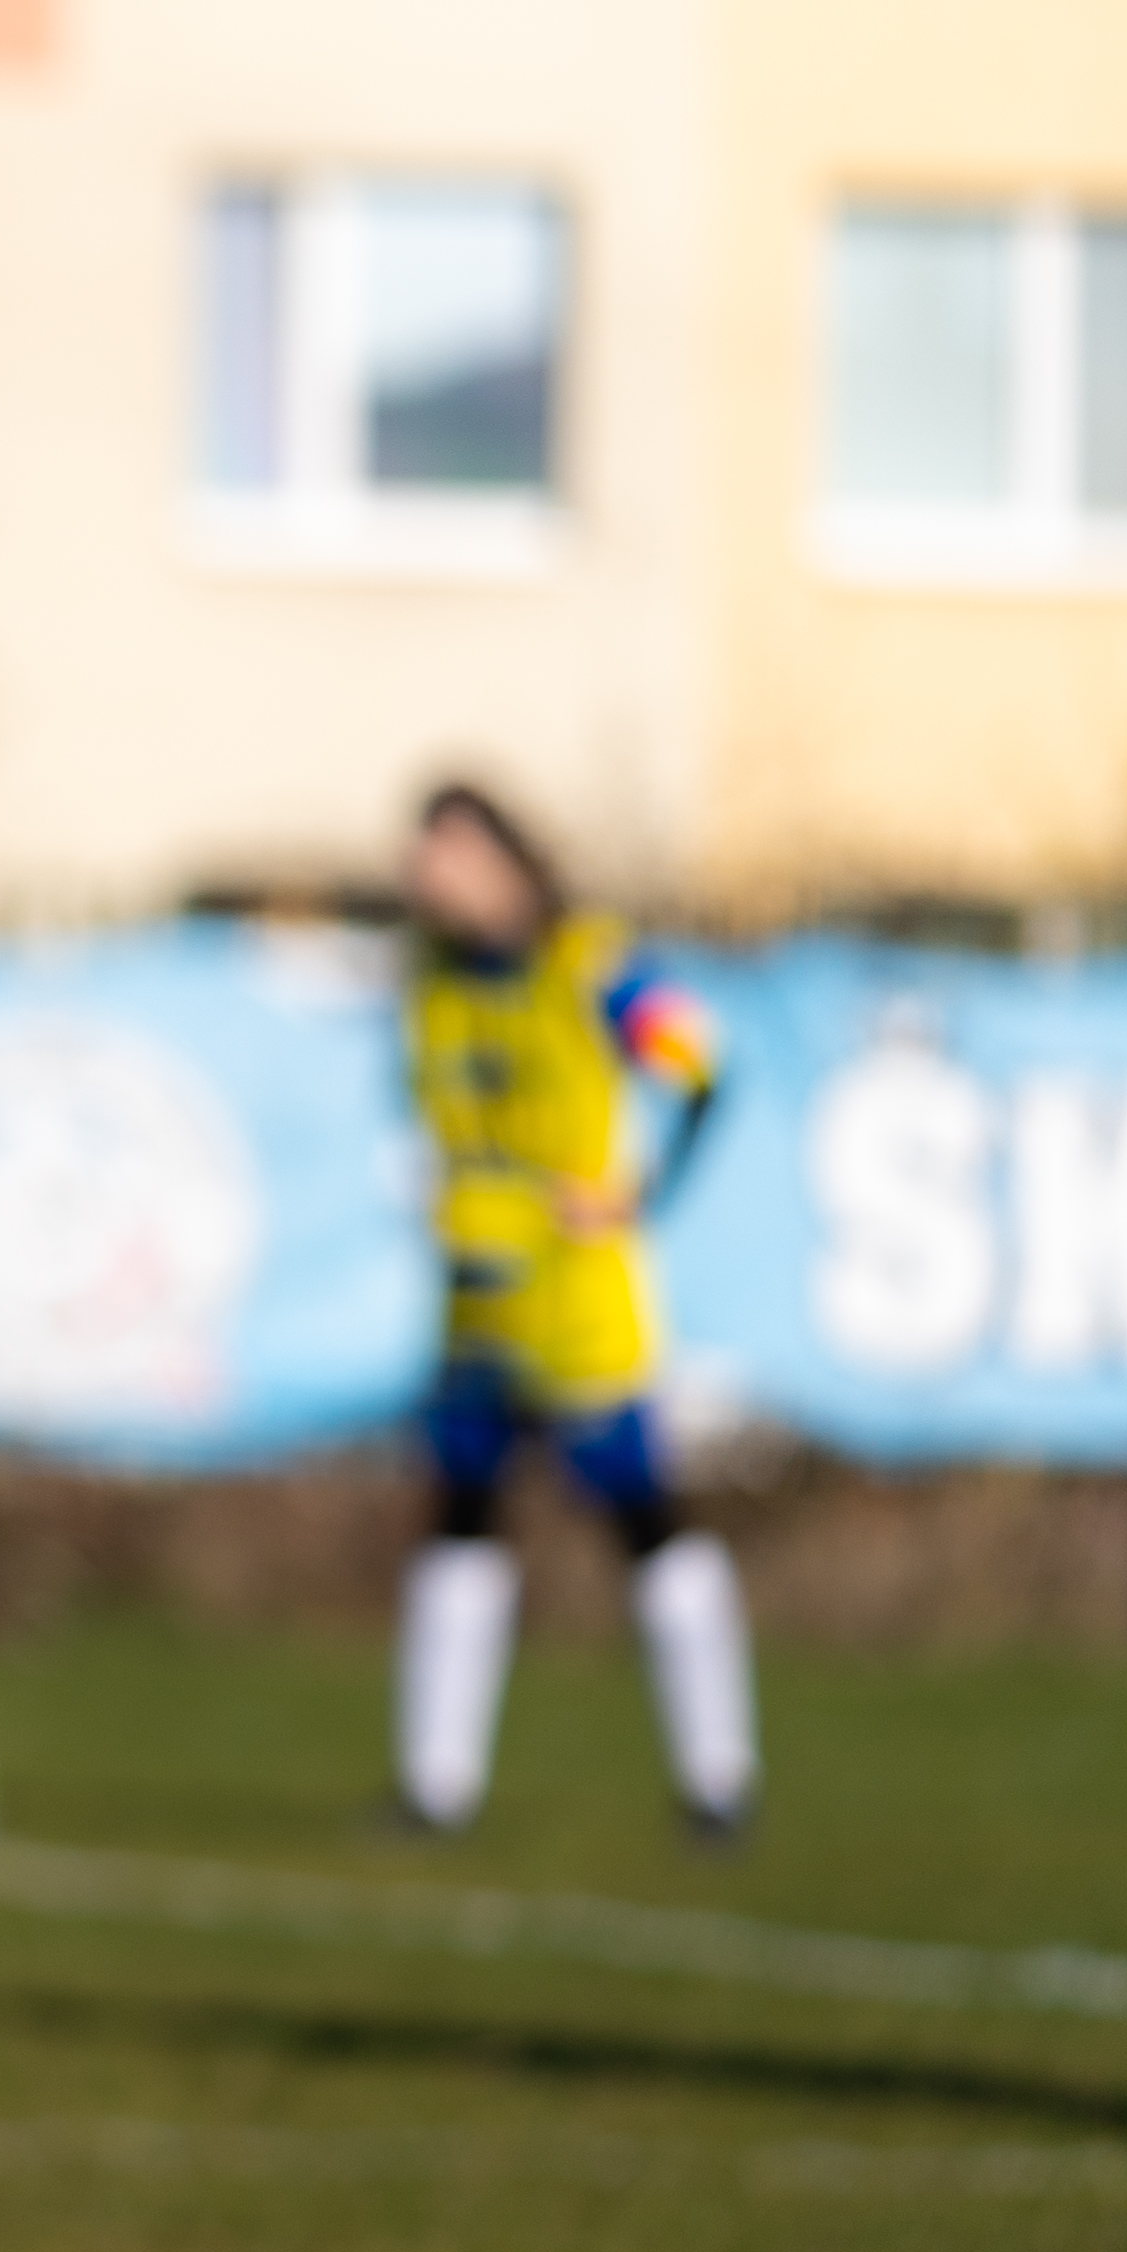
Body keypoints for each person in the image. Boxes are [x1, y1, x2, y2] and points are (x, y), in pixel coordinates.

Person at [387, 778, 756, 1847]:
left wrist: (644, 1193)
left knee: (648, 1522)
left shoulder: (590, 968)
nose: (428, 874)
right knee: (461, 1520)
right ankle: (434, 1784)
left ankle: (718, 1776)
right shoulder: (433, 980)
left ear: (507, 855)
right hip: (474, 1304)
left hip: (579, 1305)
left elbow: (702, 1063)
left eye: (448, 849)